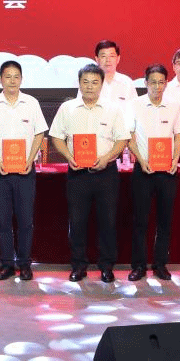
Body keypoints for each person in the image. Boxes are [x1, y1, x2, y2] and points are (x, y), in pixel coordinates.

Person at [48, 63, 129, 283]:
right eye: (85, 82)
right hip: (78, 174)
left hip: (106, 174)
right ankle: (78, 265)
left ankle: (106, 266)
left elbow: (122, 139)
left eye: (94, 82)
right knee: (77, 222)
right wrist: (68, 156)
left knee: (108, 222)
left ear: (102, 84)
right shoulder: (67, 108)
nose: (90, 86)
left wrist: (107, 157)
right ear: (79, 83)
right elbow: (57, 137)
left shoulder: (113, 109)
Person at [0, 59, 47, 282]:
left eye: (16, 76)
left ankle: (25, 263)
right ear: (0, 79)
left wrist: (30, 159)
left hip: (25, 170)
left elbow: (39, 133)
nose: (12, 80)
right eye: (7, 76)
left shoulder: (31, 103)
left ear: (21, 79)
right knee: (3, 219)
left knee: (26, 219)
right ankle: (7, 263)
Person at [128, 64, 180, 282]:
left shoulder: (174, 106)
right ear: (145, 83)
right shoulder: (134, 105)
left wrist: (175, 159)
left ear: (166, 83)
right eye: (153, 82)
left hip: (167, 171)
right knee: (140, 220)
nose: (157, 86)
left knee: (165, 220)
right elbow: (129, 136)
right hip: (143, 169)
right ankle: (138, 266)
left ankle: (160, 264)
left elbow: (178, 135)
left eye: (161, 82)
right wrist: (141, 160)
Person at [95, 40, 138, 110]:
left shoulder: (127, 82)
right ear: (97, 59)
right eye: (103, 56)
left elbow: (135, 109)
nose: (108, 60)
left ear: (118, 59)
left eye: (111, 56)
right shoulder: (90, 83)